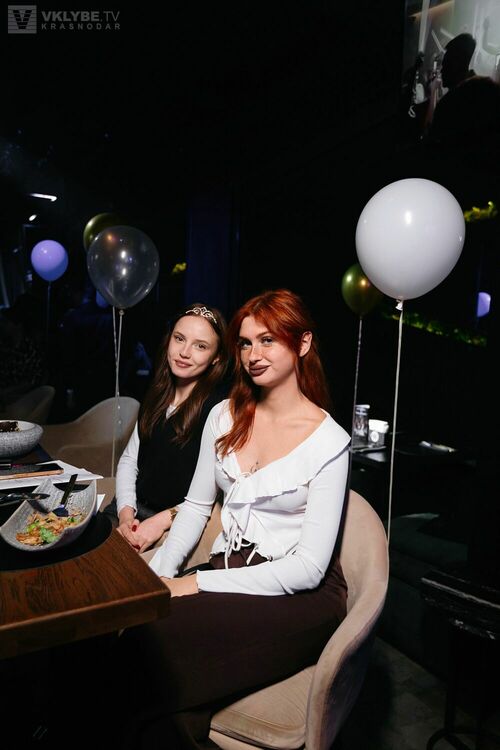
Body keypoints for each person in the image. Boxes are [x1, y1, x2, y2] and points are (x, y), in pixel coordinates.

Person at [112, 289, 351, 749]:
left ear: (302, 343)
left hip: (301, 596)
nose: (253, 354)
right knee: (142, 641)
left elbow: (308, 569)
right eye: (245, 342)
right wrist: (160, 578)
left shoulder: (329, 443)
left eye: (268, 340)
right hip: (230, 569)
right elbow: (197, 506)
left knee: (154, 651)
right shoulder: (224, 415)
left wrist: (195, 582)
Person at [103, 302, 228, 553]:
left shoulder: (220, 411)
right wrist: (126, 514)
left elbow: (210, 498)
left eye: (200, 346)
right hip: (130, 509)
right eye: (179, 338)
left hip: (173, 525)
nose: (184, 352)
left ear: (216, 357)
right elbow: (130, 460)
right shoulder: (157, 394)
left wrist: (160, 522)